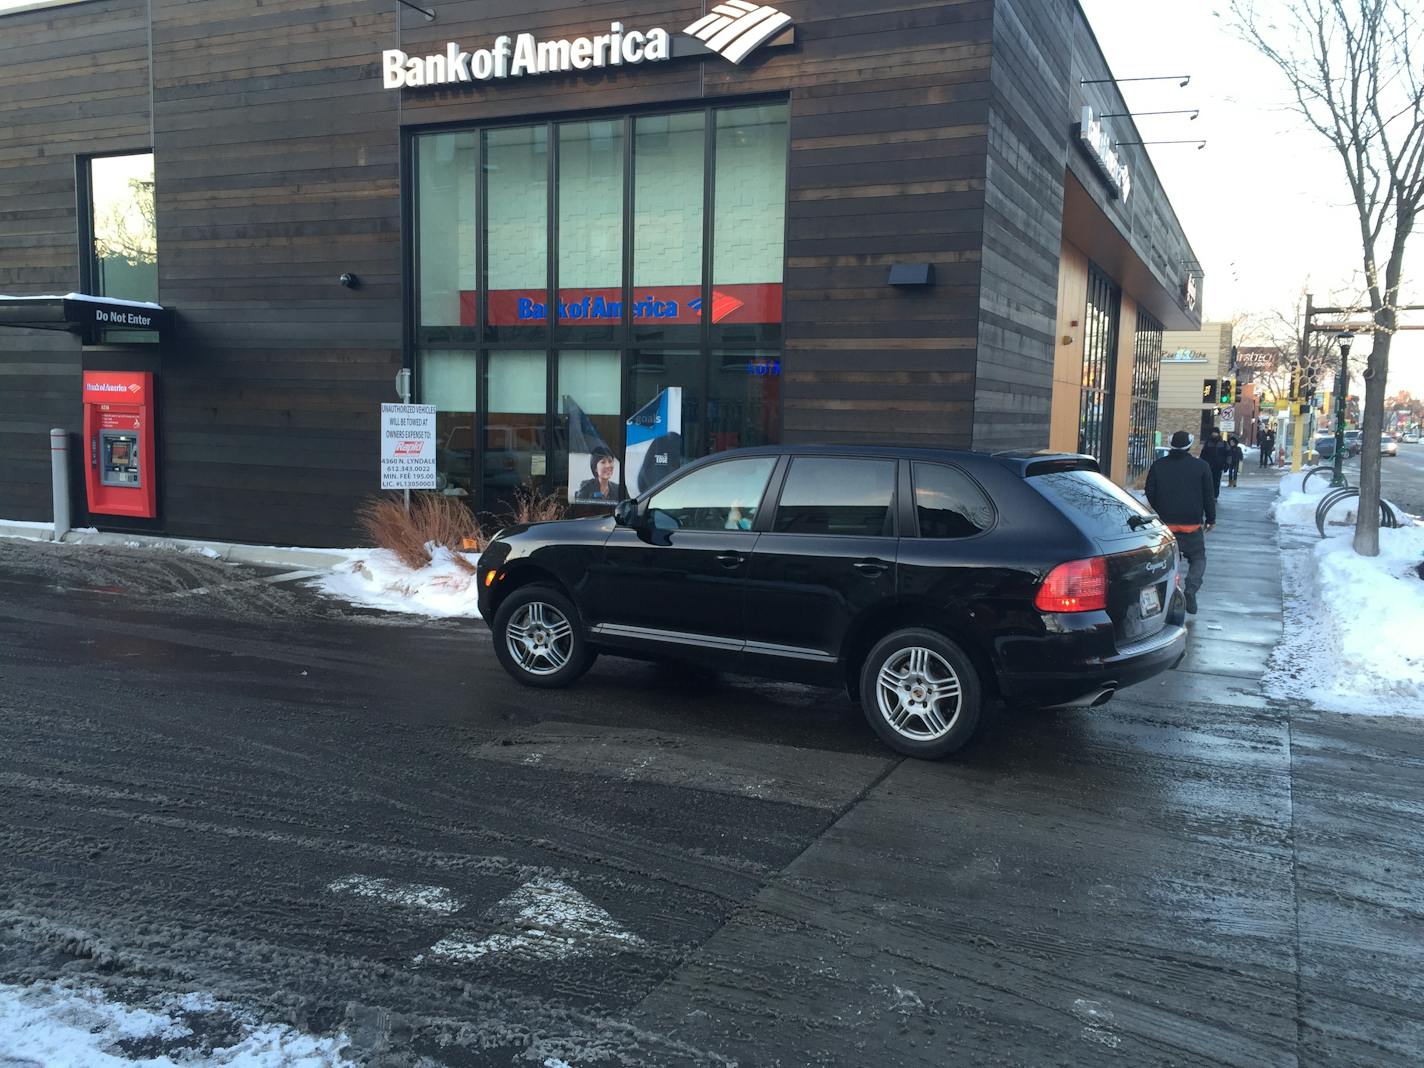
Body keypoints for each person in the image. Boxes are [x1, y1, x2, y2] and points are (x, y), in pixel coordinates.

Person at [1145, 430, 1216, 615]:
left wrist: (1160, 509)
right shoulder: (1202, 466)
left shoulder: (1158, 466)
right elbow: (1209, 495)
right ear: (1189, 446)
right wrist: (1211, 519)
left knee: (1162, 562)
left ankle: (1163, 597)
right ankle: (1190, 589)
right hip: (1192, 525)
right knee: (1198, 558)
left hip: (1166, 526)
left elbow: (1149, 491)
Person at [1199, 429, 1229, 499]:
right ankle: (1208, 495)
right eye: (1213, 433)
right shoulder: (1207, 443)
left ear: (1218, 434)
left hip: (1219, 466)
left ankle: (1215, 496)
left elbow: (1228, 454)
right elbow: (1203, 454)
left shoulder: (1224, 443)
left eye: (1215, 433)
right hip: (1208, 465)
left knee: (1216, 481)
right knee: (1208, 481)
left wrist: (1227, 464)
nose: (1214, 434)